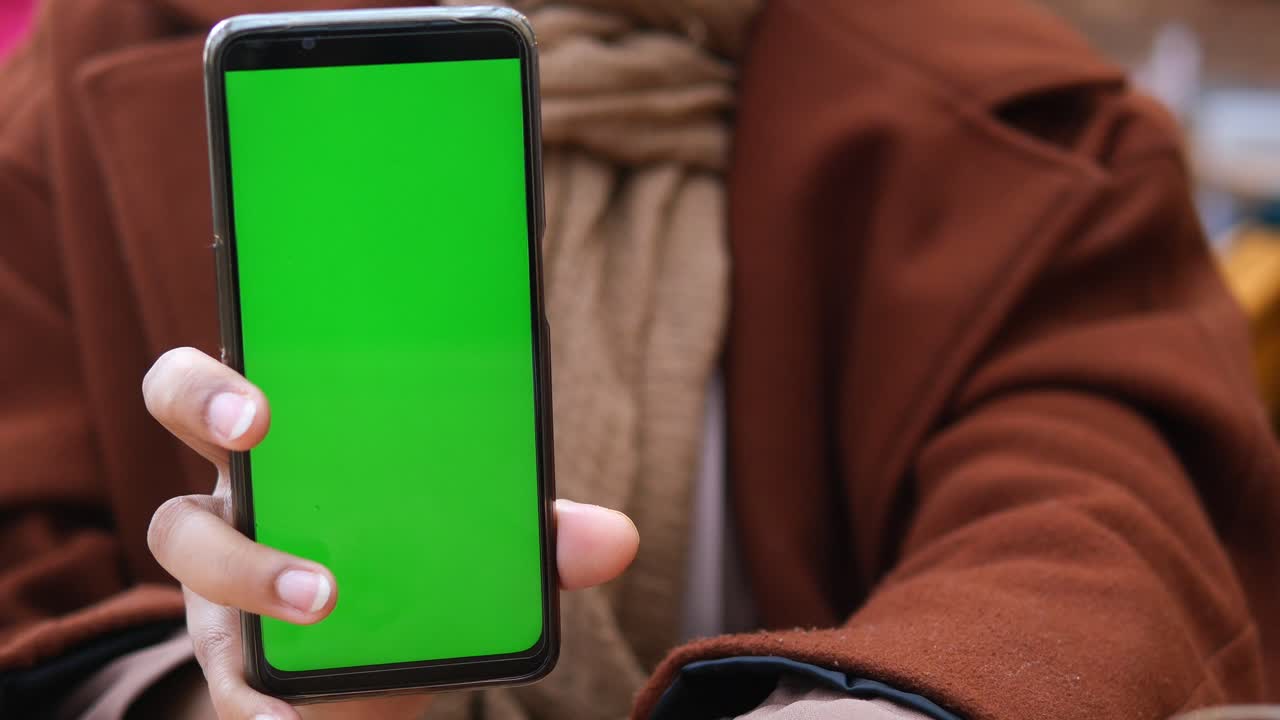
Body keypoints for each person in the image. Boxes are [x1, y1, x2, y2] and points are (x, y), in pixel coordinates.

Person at [2, 0, 1279, 719]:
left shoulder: (1020, 115)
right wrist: (207, 693)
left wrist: (890, 705)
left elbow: (1104, 516)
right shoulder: (78, 88)